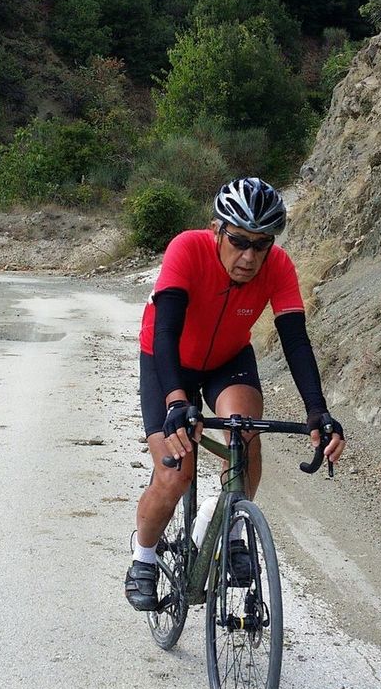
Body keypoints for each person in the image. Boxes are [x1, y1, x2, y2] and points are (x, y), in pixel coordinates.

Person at [125, 177, 346, 611]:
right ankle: (144, 558)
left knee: (245, 437)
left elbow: (295, 340)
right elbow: (166, 330)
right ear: (216, 230)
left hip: (228, 359)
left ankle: (228, 528)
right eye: (240, 241)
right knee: (175, 472)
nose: (249, 257)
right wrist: (176, 402)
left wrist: (317, 410)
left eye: (261, 245)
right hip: (167, 358)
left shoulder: (278, 266)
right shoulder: (187, 248)